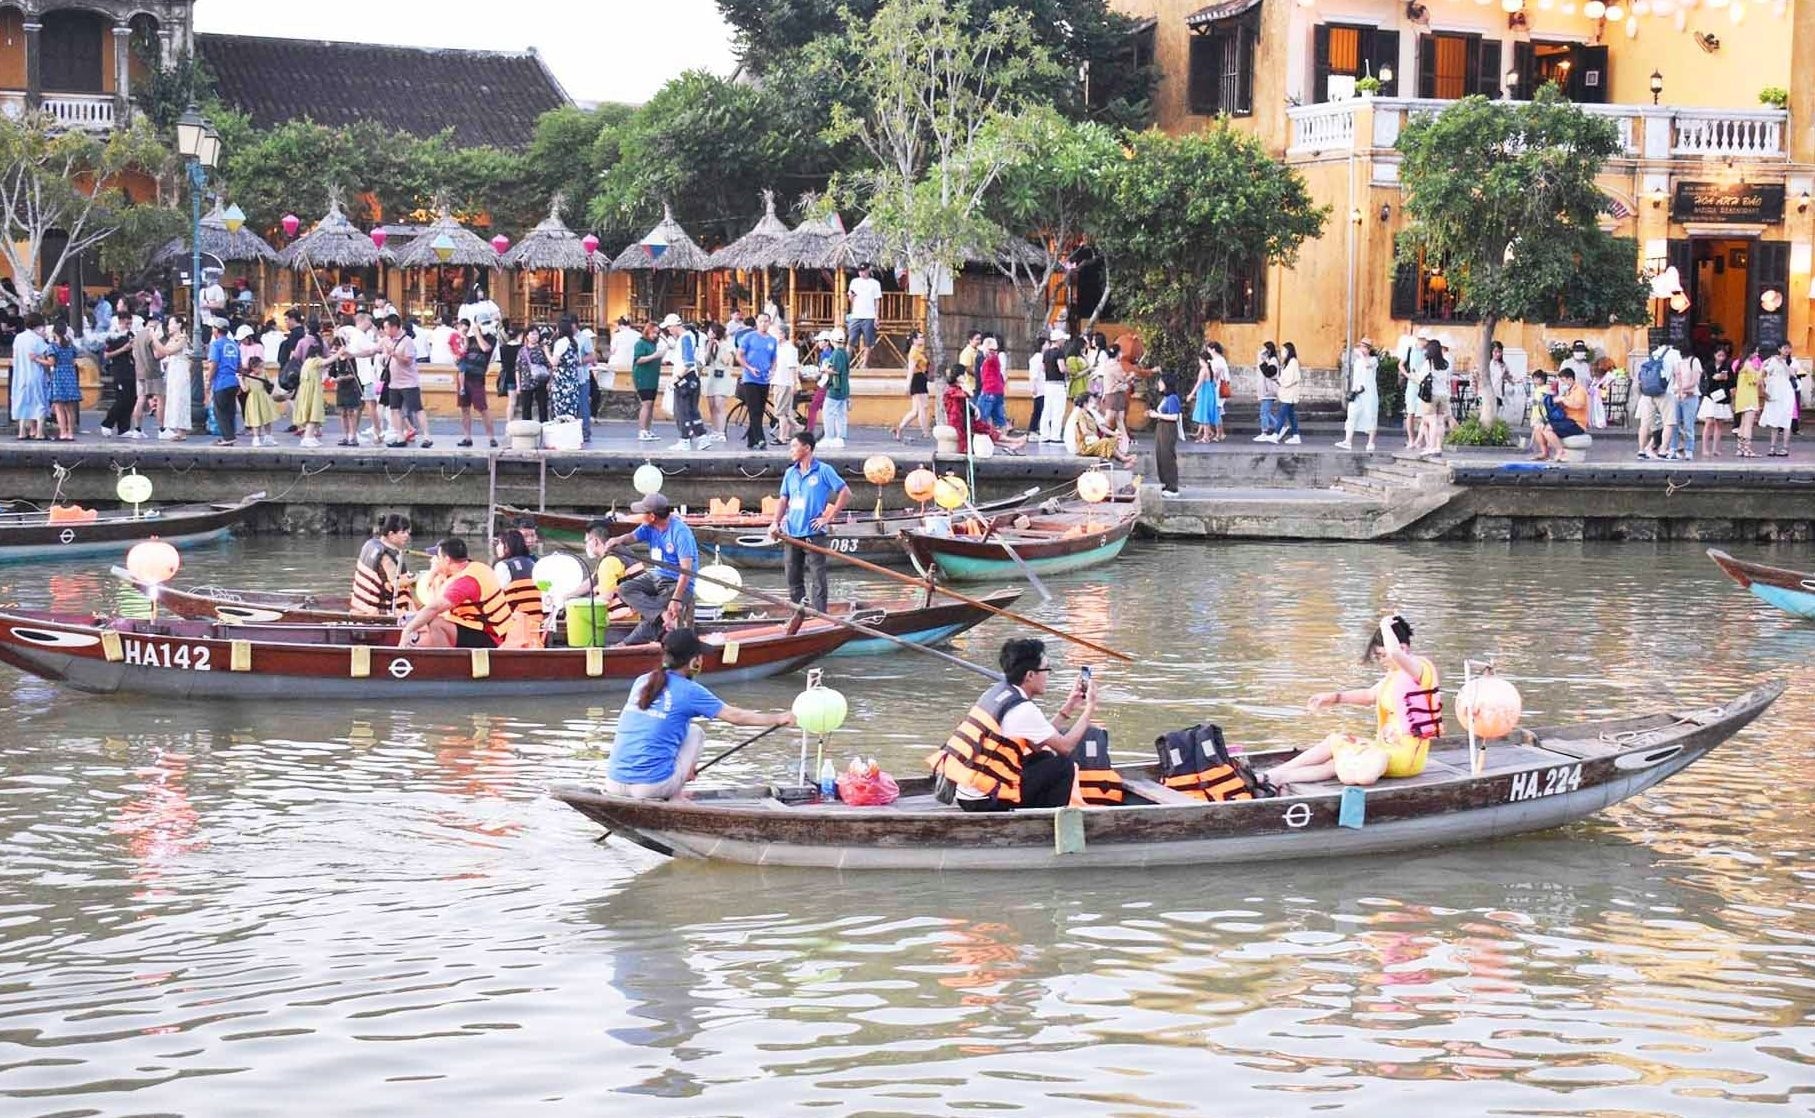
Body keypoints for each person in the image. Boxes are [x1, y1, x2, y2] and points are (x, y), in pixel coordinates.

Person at [606, 628, 796, 801]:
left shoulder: (642, 681)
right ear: (693, 661)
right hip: (650, 787)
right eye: (700, 656)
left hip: (613, 782)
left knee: (677, 730)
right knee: (695, 731)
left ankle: (674, 784)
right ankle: (676, 792)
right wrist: (778, 718)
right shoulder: (690, 691)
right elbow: (736, 717)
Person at [1267, 615, 1442, 789]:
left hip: (1404, 758)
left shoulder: (1419, 670)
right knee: (1334, 747)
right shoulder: (1395, 676)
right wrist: (1334, 698)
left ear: (1403, 648)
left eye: (1382, 655)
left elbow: (1395, 652)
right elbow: (1369, 695)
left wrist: (1384, 625)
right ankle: (1273, 776)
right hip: (1385, 750)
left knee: (1339, 747)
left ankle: (1273, 776)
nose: (1381, 661)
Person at [930, 638, 1100, 812]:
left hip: (968, 793)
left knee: (1044, 757)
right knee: (1064, 765)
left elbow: (1037, 744)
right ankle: (1046, 823)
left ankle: (1037, 811)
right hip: (985, 801)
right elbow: (1066, 747)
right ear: (1030, 675)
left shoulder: (998, 692)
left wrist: (1069, 706)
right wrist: (1090, 707)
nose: (1048, 675)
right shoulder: (1023, 709)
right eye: (1047, 669)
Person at [590, 494, 698, 646]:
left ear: (652, 516)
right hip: (657, 576)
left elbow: (686, 571)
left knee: (653, 621)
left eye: (642, 513)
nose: (639, 516)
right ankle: (661, 614)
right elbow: (632, 537)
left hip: (678, 583)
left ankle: (625, 644)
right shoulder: (649, 527)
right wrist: (618, 539)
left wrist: (676, 599)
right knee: (625, 589)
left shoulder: (680, 533)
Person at [768, 430, 850, 613]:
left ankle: (821, 615)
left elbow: (845, 492)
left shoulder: (823, 470)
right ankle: (799, 613)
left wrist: (828, 517)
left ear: (807, 448)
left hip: (813, 533)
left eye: (794, 446)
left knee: (817, 578)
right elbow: (783, 499)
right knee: (793, 577)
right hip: (791, 534)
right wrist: (775, 522)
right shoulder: (790, 473)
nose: (791, 450)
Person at [398, 537, 514, 649]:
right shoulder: (475, 567)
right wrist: (435, 572)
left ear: (447, 560)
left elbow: (433, 609)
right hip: (487, 629)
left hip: (491, 636)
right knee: (425, 620)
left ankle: (448, 661)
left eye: (437, 557)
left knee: (434, 622)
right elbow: (433, 600)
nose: (434, 560)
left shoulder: (464, 582)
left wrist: (407, 630)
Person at [379, 314, 431, 447]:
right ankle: (400, 436)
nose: (385, 330)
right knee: (395, 409)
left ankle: (427, 436)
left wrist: (394, 354)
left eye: (386, 327)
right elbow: (375, 349)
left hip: (408, 382)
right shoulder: (386, 340)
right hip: (394, 382)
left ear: (394, 327)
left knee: (417, 408)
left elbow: (408, 361)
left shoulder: (407, 341)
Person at [350, 514, 414, 615]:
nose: (407, 535)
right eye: (403, 532)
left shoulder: (371, 544)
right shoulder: (386, 556)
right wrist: (418, 578)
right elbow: (396, 582)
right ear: (391, 534)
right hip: (379, 611)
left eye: (407, 532)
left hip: (362, 606)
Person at [735, 311, 778, 450]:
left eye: (766, 321)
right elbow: (739, 356)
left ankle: (751, 439)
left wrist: (772, 371)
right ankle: (760, 438)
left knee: (760, 409)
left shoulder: (772, 340)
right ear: (757, 322)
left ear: (769, 323)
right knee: (753, 409)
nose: (763, 324)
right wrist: (749, 368)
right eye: (761, 321)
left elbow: (774, 359)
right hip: (750, 378)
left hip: (764, 379)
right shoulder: (749, 337)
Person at [665, 314, 709, 451]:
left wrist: (676, 378)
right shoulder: (691, 336)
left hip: (685, 378)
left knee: (682, 410)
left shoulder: (684, 339)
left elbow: (688, 362)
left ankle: (685, 439)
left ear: (674, 326)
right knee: (692, 410)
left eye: (669, 327)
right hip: (692, 378)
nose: (668, 331)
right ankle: (701, 437)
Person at [491, 528, 545, 636]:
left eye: (500, 543)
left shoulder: (503, 566)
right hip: (537, 620)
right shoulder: (534, 563)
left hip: (515, 622)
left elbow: (496, 596)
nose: (497, 547)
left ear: (507, 546)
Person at [454, 316, 496, 448]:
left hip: (477, 377)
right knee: (464, 408)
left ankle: (491, 437)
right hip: (464, 376)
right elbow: (461, 352)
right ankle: (467, 437)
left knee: (482, 408)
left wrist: (477, 333)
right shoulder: (470, 339)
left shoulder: (491, 339)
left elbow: (486, 348)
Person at [1634, 345, 1678, 461]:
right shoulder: (1674, 353)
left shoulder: (1651, 354)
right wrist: (1680, 388)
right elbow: (1678, 373)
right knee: (1668, 422)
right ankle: (1663, 451)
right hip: (1665, 392)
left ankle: (1641, 451)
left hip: (1647, 393)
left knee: (1644, 424)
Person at [1064, 391, 1132, 465]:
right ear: (1084, 403)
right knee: (1105, 441)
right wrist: (1095, 436)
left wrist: (1114, 434)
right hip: (1085, 446)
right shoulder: (1080, 415)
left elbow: (1102, 427)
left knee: (1113, 440)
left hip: (1092, 441)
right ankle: (1123, 459)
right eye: (1090, 401)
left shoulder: (1089, 413)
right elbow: (1085, 431)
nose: (1093, 404)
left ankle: (1122, 459)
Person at [1336, 338, 1378, 452]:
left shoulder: (1373, 360)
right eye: (1360, 346)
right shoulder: (1358, 361)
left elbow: (1367, 365)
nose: (1361, 349)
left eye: (1364, 347)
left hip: (1369, 393)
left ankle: (1370, 442)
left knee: (1371, 416)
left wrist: (1361, 355)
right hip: (1357, 393)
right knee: (1352, 415)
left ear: (1369, 349)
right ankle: (1347, 441)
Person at [204, 321, 242, 446]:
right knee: (230, 410)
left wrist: (209, 380)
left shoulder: (216, 345)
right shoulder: (234, 345)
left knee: (219, 410)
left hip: (221, 382)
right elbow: (239, 366)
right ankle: (231, 435)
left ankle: (227, 437)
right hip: (233, 381)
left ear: (216, 330)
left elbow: (214, 364)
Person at [9, 313, 46, 439]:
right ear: (39, 325)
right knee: (39, 401)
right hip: (35, 373)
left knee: (22, 401)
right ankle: (39, 432)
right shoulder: (37, 339)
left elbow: (14, 355)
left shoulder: (18, 337)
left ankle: (22, 431)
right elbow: (42, 357)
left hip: (20, 374)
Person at [99, 316, 137, 438]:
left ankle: (124, 428)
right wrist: (123, 349)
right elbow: (107, 355)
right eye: (126, 323)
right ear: (120, 322)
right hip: (119, 370)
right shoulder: (112, 337)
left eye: (130, 323)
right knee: (122, 399)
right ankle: (107, 423)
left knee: (131, 399)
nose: (128, 326)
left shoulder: (131, 334)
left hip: (131, 369)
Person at [156, 316, 192, 441]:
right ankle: (177, 429)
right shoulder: (171, 339)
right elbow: (159, 353)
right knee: (173, 397)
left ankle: (182, 429)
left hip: (180, 370)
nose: (169, 326)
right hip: (173, 369)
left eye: (172, 323)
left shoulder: (182, 338)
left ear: (179, 325)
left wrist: (154, 338)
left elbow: (168, 351)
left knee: (180, 397)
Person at [628, 320, 665, 440]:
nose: (655, 335)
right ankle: (642, 430)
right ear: (648, 331)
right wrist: (654, 356)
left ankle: (648, 429)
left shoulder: (653, 344)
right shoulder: (641, 343)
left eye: (657, 333)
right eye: (653, 332)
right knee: (646, 403)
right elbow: (638, 359)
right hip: (643, 377)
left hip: (652, 377)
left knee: (651, 404)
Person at [126, 316, 161, 440]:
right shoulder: (151, 336)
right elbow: (157, 354)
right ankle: (162, 428)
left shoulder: (137, 337)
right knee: (160, 398)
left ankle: (137, 429)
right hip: (151, 371)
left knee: (140, 399)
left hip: (139, 371)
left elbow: (134, 355)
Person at [45, 320, 80, 441]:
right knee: (70, 408)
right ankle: (71, 433)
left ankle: (63, 432)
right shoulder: (71, 345)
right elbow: (74, 360)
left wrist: (37, 360)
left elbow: (51, 362)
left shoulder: (53, 346)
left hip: (59, 375)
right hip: (70, 375)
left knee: (59, 407)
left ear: (54, 331)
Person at [895, 328, 932, 441]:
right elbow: (911, 370)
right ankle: (925, 432)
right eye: (920, 337)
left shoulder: (919, 351)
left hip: (921, 378)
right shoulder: (914, 353)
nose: (923, 339)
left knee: (916, 410)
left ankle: (899, 428)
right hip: (917, 379)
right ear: (914, 340)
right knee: (922, 407)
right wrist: (908, 384)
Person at [1760, 342, 1796, 457]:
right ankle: (1772, 447)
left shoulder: (1792, 361)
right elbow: (1764, 373)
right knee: (1774, 421)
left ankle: (1785, 448)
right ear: (1779, 349)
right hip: (1774, 392)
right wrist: (1764, 364)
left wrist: (1783, 363)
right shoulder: (1773, 361)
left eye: (1788, 348)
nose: (1787, 350)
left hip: (1786, 394)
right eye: (1784, 348)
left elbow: (1792, 374)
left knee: (1786, 420)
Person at [549, 315, 585, 428]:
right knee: (570, 412)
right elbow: (578, 361)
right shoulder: (574, 343)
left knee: (560, 412)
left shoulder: (560, 343)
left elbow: (554, 362)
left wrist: (546, 351)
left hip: (561, 382)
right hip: (572, 381)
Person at [1035, 328, 1069, 445]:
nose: (1064, 342)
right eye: (1063, 340)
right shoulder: (1059, 352)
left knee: (1047, 410)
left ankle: (1044, 435)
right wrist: (1069, 370)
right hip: (1058, 385)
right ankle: (1055, 436)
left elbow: (1043, 368)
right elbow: (1062, 368)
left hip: (1048, 384)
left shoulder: (1046, 353)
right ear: (1058, 340)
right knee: (1058, 410)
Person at [821, 327, 852, 448]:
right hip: (844, 388)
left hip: (835, 388)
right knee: (840, 414)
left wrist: (825, 369)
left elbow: (836, 371)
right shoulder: (844, 352)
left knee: (827, 412)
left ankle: (829, 437)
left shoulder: (837, 353)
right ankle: (840, 437)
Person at [846, 262, 882, 367]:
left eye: (864, 271)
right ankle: (846, 362)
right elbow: (850, 297)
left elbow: (877, 300)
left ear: (868, 270)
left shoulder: (875, 283)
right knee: (851, 340)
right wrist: (851, 296)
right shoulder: (854, 282)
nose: (862, 273)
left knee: (868, 341)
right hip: (856, 315)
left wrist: (876, 316)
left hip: (869, 316)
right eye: (860, 271)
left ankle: (864, 364)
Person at [1269, 341, 1304, 446]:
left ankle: (1276, 434)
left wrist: (1281, 381)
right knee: (1291, 415)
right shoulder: (1287, 362)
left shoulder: (1293, 361)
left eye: (1284, 350)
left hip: (1290, 393)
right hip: (1286, 393)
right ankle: (1296, 436)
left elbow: (1293, 378)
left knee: (1282, 414)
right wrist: (1279, 380)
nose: (1282, 352)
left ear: (1289, 351)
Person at [239, 355, 278, 447]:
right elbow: (245, 389)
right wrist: (240, 380)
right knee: (255, 419)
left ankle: (268, 437)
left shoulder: (264, 373)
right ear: (253, 367)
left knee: (267, 418)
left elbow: (269, 383)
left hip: (263, 397)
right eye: (259, 367)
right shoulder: (248, 377)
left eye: (262, 367)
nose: (261, 369)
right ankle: (256, 438)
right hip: (253, 399)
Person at [1154, 372, 1183, 497]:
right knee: (1161, 455)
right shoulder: (1165, 398)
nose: (1159, 384)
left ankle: (1173, 487)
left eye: (1161, 382)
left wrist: (1157, 415)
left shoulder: (1173, 398)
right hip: (1161, 427)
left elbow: (1174, 416)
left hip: (1168, 428)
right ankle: (1165, 483)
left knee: (1168, 456)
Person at [516, 325, 553, 423]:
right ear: (527, 336)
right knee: (526, 409)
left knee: (543, 409)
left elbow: (550, 366)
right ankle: (527, 432)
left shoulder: (543, 350)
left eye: (536, 334)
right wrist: (518, 385)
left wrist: (550, 382)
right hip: (526, 383)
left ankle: (544, 431)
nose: (534, 336)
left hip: (541, 382)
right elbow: (517, 369)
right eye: (532, 334)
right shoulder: (522, 351)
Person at [1733, 346, 1764, 459]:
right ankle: (1747, 449)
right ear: (1750, 353)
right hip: (1749, 397)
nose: (1757, 354)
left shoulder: (1742, 364)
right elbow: (1756, 380)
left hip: (1742, 397)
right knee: (1748, 425)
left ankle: (1740, 448)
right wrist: (1762, 368)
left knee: (1742, 424)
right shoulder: (1748, 364)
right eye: (1755, 352)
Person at [1187, 344, 1221, 444]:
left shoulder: (1203, 370)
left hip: (1204, 394)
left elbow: (1199, 383)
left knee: (1204, 414)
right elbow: (1214, 382)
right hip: (1211, 393)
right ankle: (1207, 435)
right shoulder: (1211, 370)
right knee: (1206, 414)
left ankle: (1206, 437)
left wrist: (1191, 394)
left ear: (1202, 360)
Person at [974, 335, 1008, 432]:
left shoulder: (990, 358)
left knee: (980, 416)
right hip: (998, 390)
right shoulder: (996, 358)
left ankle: (981, 439)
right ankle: (1005, 441)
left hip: (989, 390)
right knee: (1000, 419)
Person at [1253, 341, 1281, 442]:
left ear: (1268, 351)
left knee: (1264, 413)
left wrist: (1262, 361)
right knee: (1265, 412)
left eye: (1264, 350)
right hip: (1265, 390)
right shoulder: (1268, 360)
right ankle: (1280, 427)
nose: (1262, 352)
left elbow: (1269, 373)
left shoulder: (1273, 360)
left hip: (1269, 390)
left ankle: (1264, 432)